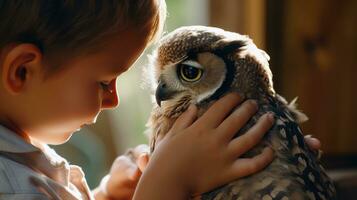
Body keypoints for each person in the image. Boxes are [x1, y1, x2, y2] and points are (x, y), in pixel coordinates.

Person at [0, 1, 321, 199]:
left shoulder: (21, 158)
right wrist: (167, 183)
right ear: (22, 71)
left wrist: (108, 196)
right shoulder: (13, 188)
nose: (112, 100)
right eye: (102, 82)